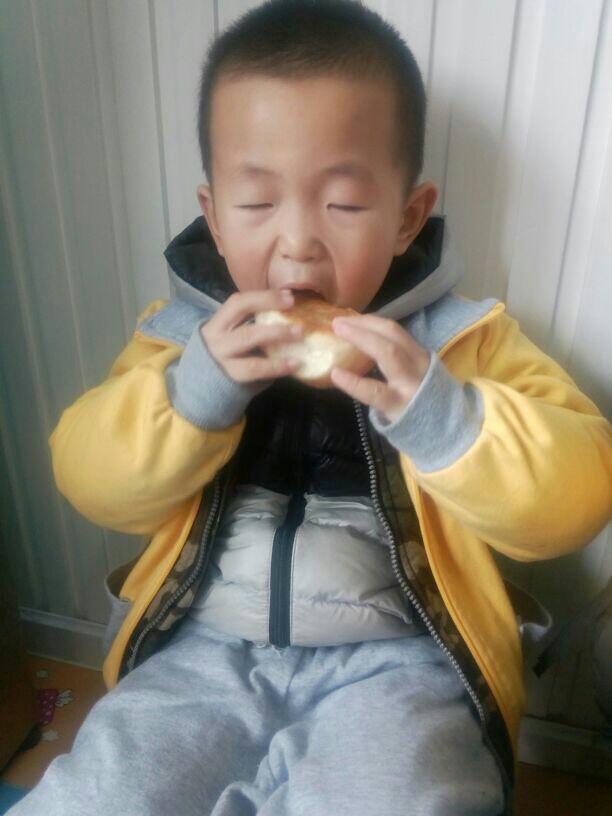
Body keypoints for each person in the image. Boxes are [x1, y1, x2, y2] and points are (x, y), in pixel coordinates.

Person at [10, 1, 611, 814]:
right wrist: (192, 397)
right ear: (214, 218)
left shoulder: (466, 342)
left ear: (407, 218)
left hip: (400, 669)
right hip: (199, 653)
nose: (298, 242)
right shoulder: (179, 340)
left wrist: (446, 419)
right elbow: (89, 479)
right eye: (257, 204)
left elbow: (581, 496)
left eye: (345, 205)